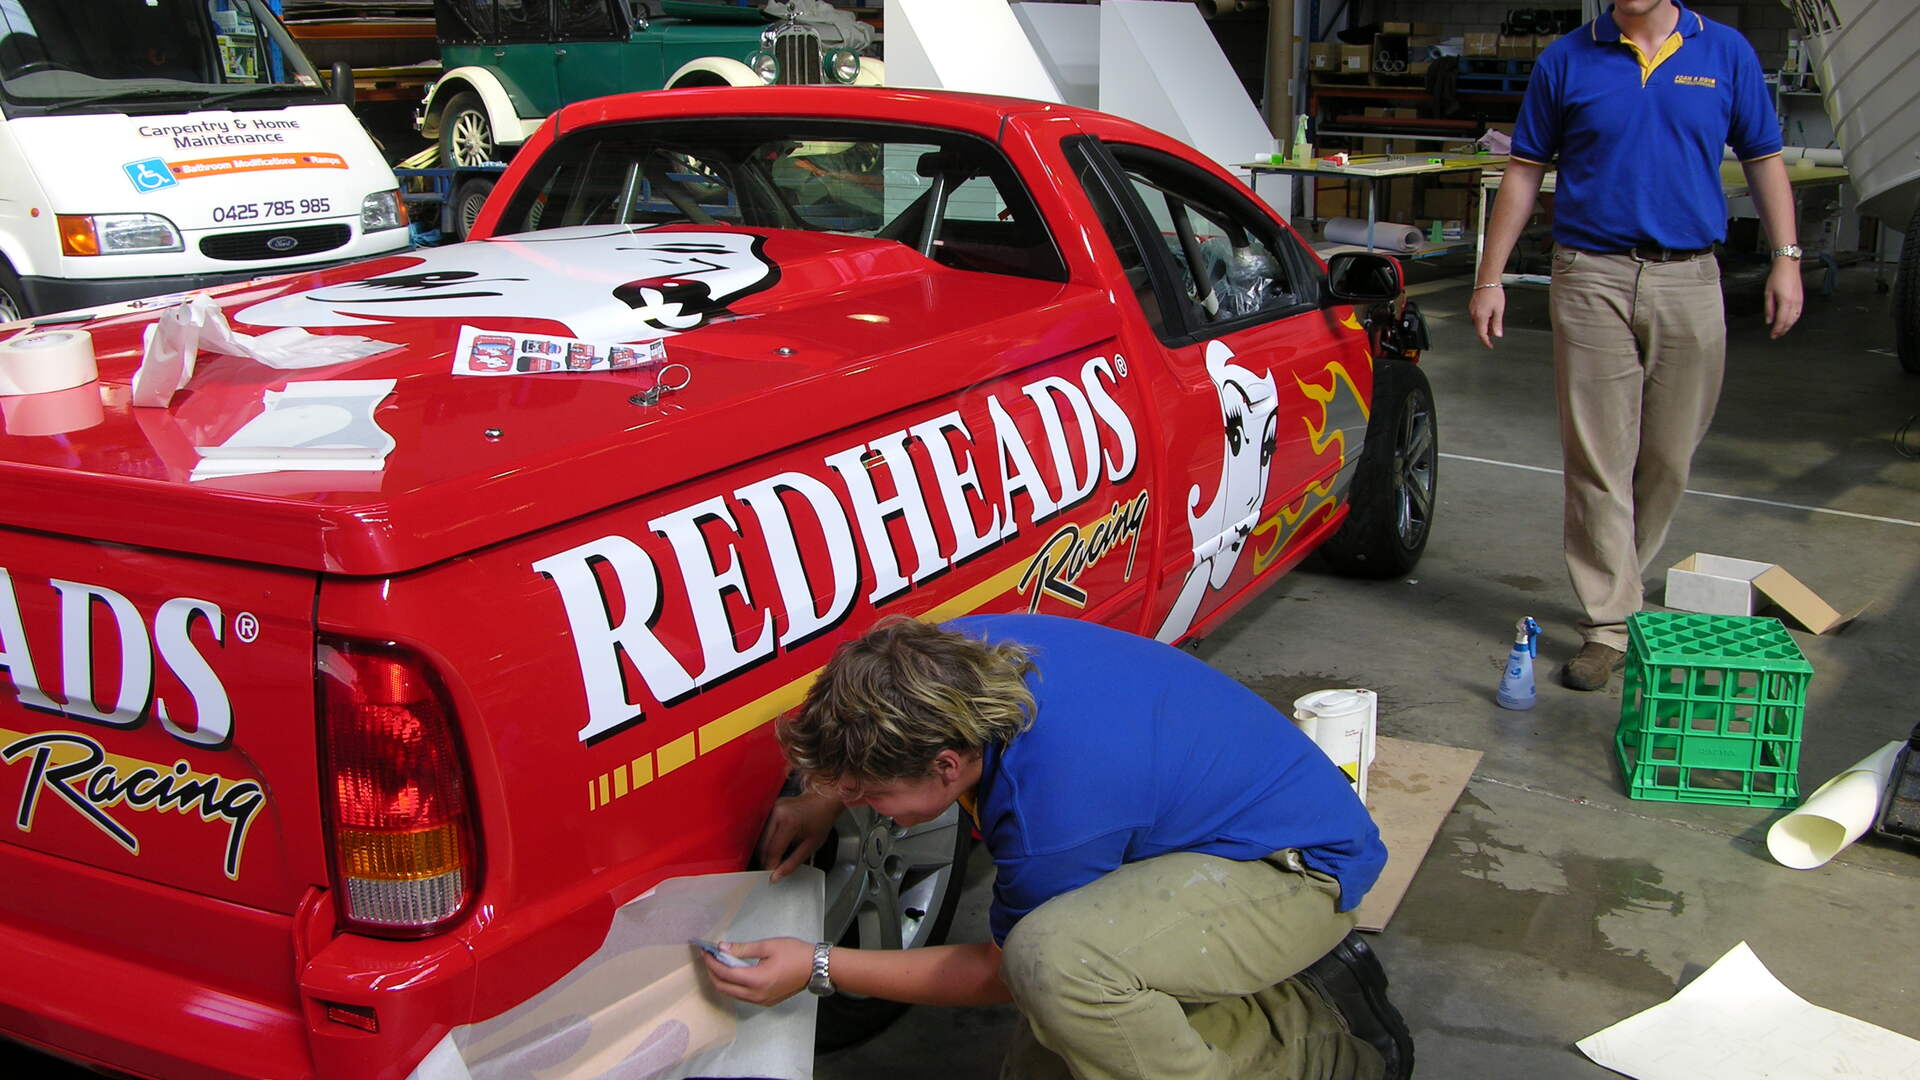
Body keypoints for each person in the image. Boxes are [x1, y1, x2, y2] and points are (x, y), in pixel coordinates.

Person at [700, 613, 1409, 1080]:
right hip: (1197, 826)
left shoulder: (1055, 809)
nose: (863, 811)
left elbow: (1005, 971)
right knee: (1057, 1058)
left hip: (1296, 868)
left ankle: (1327, 1050)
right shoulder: (939, 663)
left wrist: (820, 965)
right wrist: (825, 791)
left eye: (870, 796)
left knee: (1059, 970)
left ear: (946, 767)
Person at [1467, 0, 1803, 691]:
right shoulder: (1568, 58)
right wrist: (1490, 276)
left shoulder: (1725, 53)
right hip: (1590, 274)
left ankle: (1624, 584)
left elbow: (1764, 158)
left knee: (1669, 457)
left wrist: (1787, 256)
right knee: (1598, 459)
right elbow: (1525, 170)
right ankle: (1610, 624)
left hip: (1690, 275)